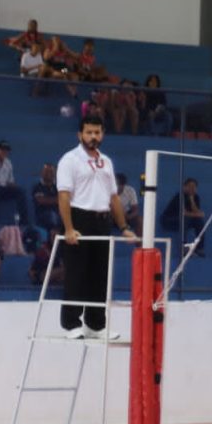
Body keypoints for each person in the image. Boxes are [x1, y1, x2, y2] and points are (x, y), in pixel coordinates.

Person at [56, 116, 135, 339]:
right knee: (77, 273)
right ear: (79, 134)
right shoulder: (69, 160)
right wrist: (69, 228)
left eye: (97, 132)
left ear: (103, 134)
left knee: (100, 274)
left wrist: (123, 226)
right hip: (79, 217)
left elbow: (114, 198)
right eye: (89, 132)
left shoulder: (106, 161)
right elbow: (63, 195)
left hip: (102, 220)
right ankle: (72, 323)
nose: (93, 137)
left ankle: (96, 324)